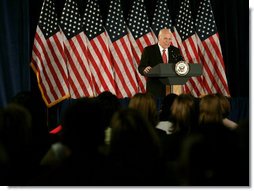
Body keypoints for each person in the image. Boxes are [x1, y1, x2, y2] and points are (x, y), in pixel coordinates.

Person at [138, 28, 183, 98]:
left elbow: (181, 64)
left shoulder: (175, 50)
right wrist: (144, 69)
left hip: (172, 89)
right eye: (165, 38)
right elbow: (141, 67)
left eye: (170, 39)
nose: (168, 41)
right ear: (159, 38)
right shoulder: (149, 50)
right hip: (155, 90)